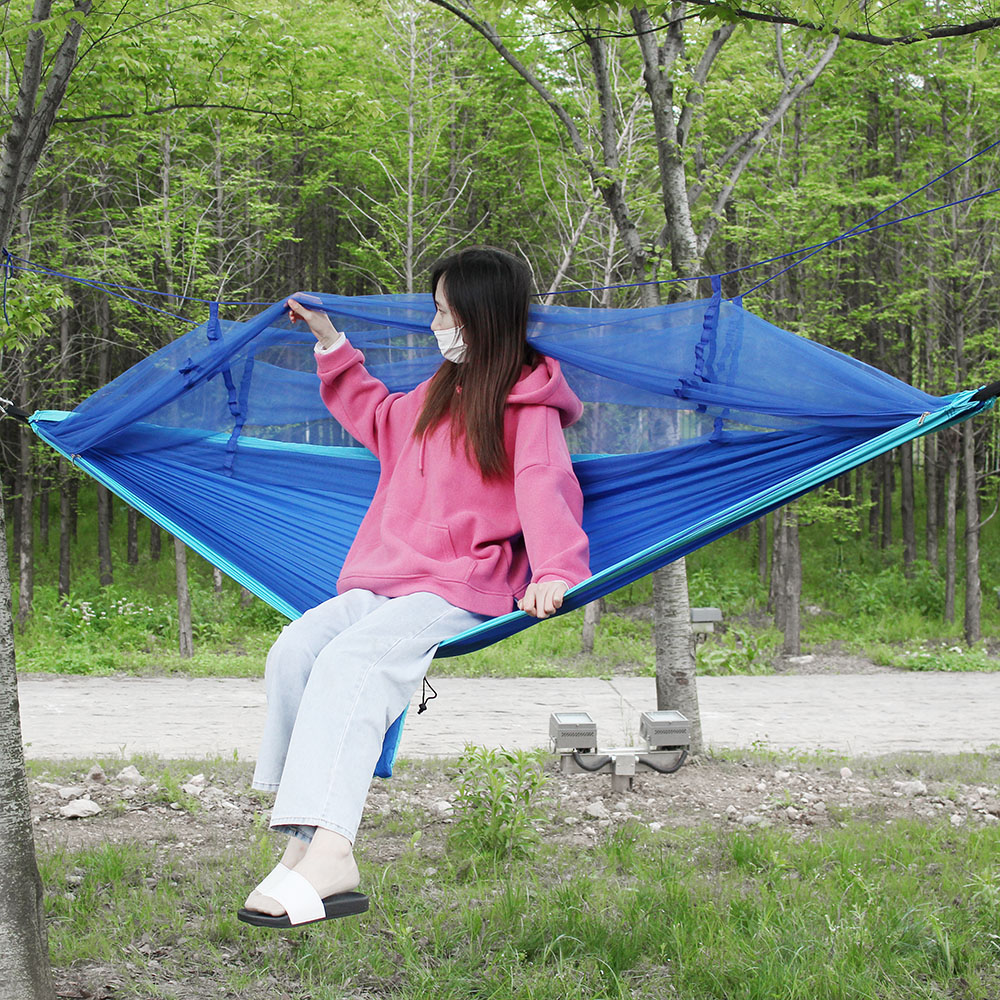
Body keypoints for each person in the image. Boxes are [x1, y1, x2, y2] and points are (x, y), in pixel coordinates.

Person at [237, 247, 590, 928]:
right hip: (388, 575)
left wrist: (554, 571)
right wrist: (331, 344)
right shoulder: (436, 394)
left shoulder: (527, 403)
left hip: (461, 584)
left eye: (445, 313)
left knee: (351, 663)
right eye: (434, 312)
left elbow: (545, 487)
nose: (436, 326)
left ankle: (333, 854)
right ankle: (302, 840)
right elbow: (377, 417)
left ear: (483, 317)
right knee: (295, 650)